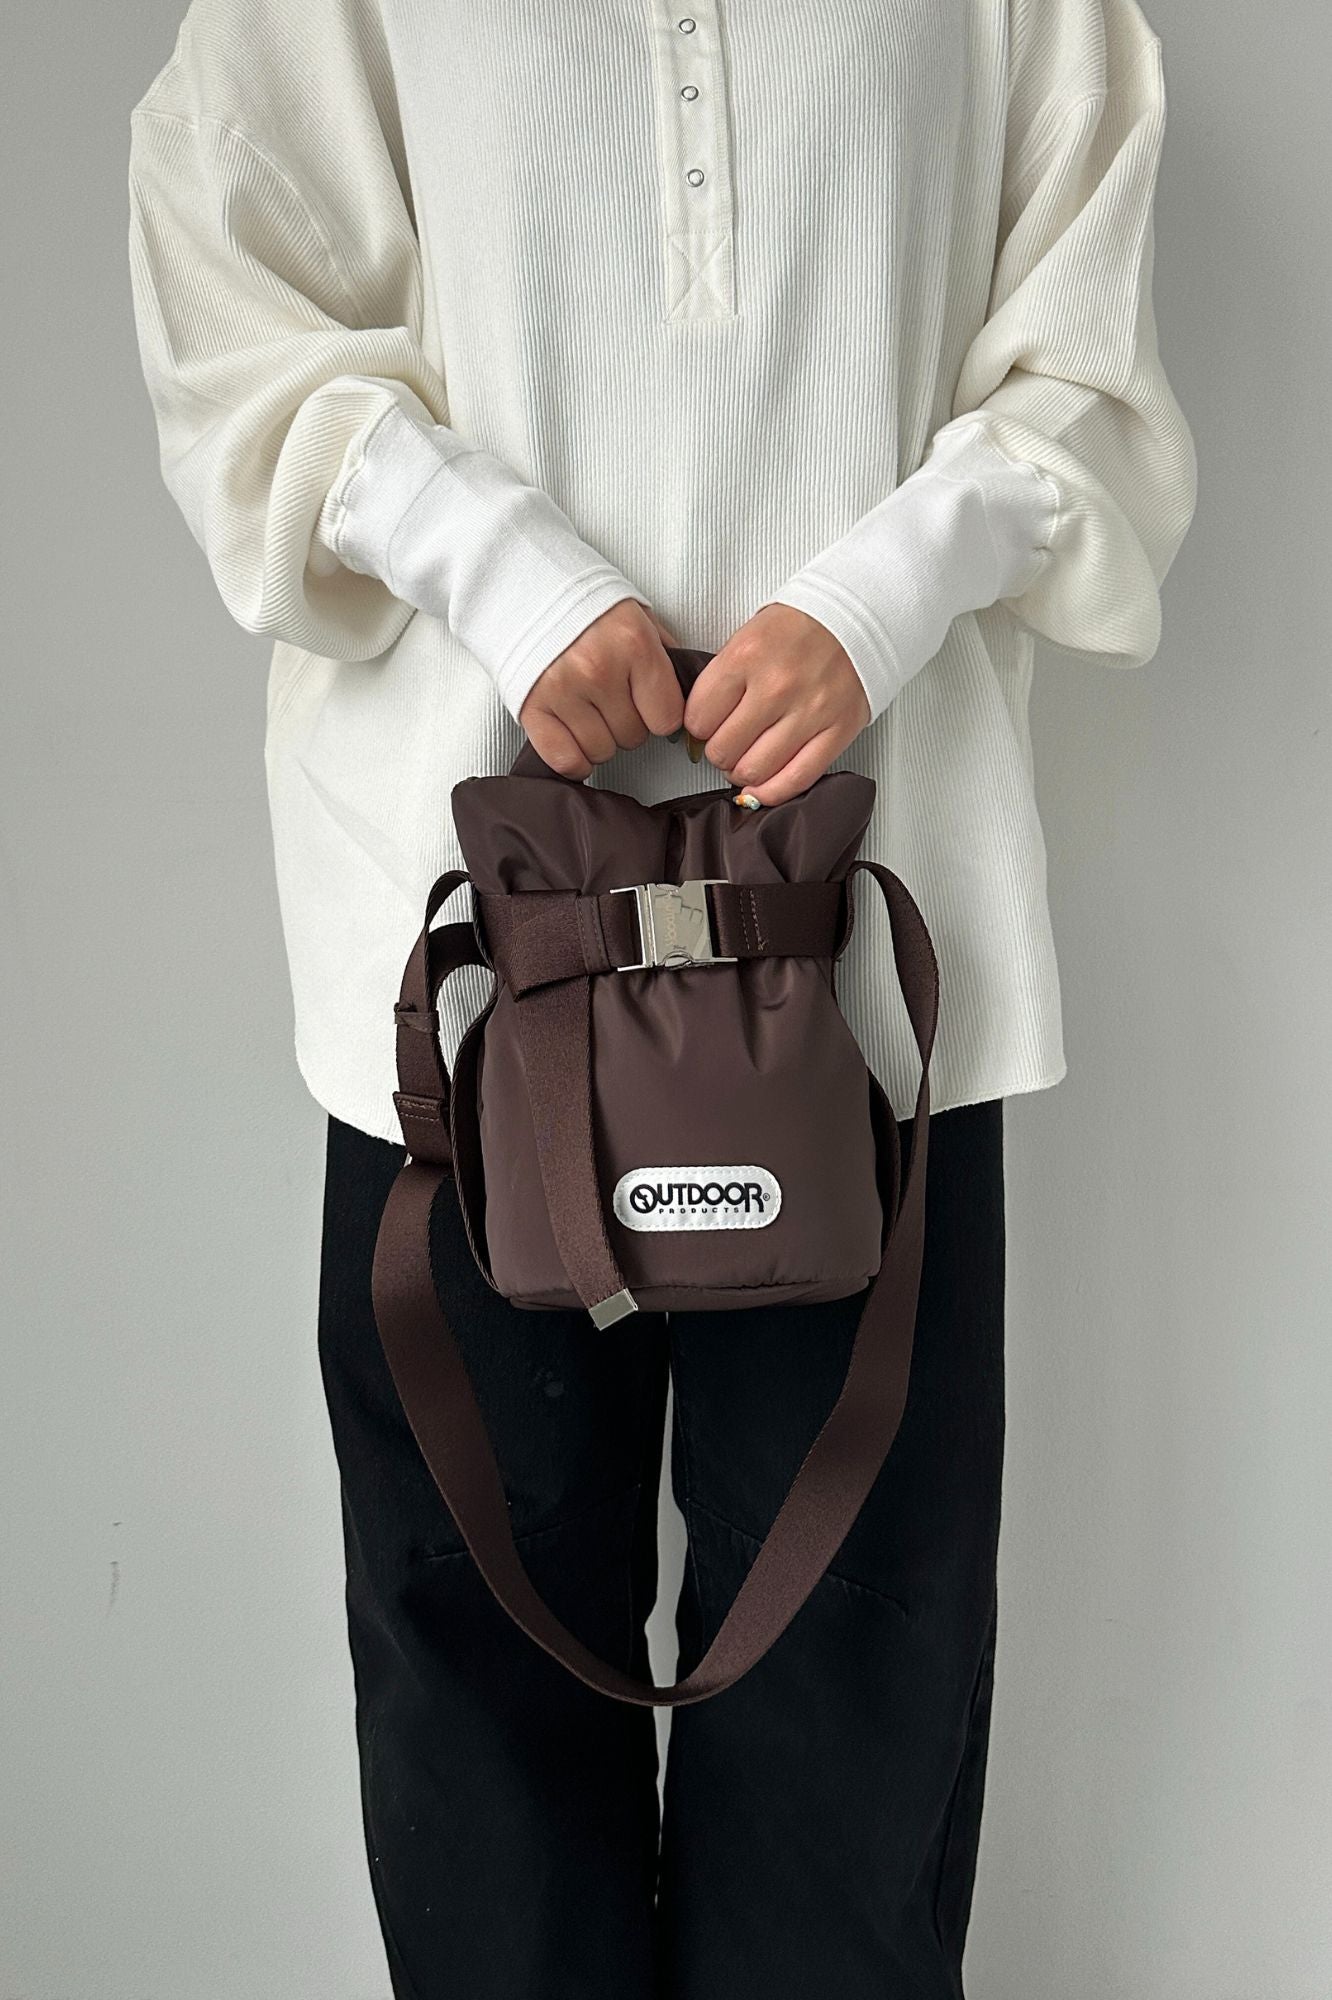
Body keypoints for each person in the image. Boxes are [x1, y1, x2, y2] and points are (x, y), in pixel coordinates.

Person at [126, 0, 1196, 1992]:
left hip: (866, 968)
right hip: (466, 983)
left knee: (857, 1709)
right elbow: (235, 303)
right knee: (477, 1728)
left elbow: (1086, 356)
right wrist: (507, 573)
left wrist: (876, 597)